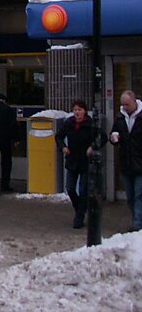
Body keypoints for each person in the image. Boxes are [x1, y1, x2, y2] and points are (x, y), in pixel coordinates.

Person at [55, 99, 106, 229]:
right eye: (75, 110)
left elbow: (102, 137)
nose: (77, 112)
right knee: (70, 188)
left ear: (84, 111)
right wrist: (63, 147)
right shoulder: (69, 123)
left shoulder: (90, 124)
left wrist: (92, 147)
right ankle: (80, 209)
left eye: (80, 110)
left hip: (85, 161)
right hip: (72, 160)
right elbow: (58, 136)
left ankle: (79, 217)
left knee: (83, 190)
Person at [110, 90, 142, 232]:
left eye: (127, 104)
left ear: (135, 102)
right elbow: (114, 134)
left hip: (140, 163)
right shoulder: (120, 118)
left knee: (139, 195)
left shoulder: (140, 117)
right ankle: (137, 220)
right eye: (123, 104)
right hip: (126, 163)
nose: (125, 107)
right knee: (130, 196)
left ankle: (137, 224)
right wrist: (114, 138)